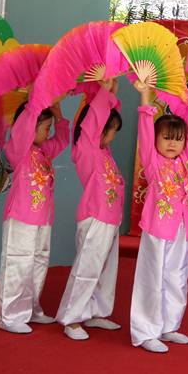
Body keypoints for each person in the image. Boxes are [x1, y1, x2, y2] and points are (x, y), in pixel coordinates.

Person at [129, 80, 188, 354]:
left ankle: (169, 325)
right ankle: (145, 331)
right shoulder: (152, 160)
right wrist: (145, 98)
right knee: (152, 276)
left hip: (182, 226)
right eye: (166, 137)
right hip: (157, 227)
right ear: (156, 140)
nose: (173, 143)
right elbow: (144, 130)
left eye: (178, 138)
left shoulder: (185, 157)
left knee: (177, 275)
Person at [57, 79, 125, 339]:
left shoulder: (104, 152)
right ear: (98, 130)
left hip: (110, 219)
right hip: (95, 217)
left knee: (106, 269)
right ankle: (71, 318)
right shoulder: (86, 148)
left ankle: (96, 310)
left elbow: (103, 114)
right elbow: (92, 120)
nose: (113, 136)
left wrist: (111, 93)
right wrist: (104, 93)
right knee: (87, 268)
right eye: (111, 131)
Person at [0, 99, 69, 333]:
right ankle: (10, 316)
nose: (49, 133)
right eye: (45, 128)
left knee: (38, 263)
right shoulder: (18, 149)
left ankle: (30, 308)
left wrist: (58, 115)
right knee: (18, 263)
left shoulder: (44, 150)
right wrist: (35, 102)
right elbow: (22, 129)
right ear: (31, 126)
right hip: (21, 217)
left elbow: (62, 140)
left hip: (43, 219)